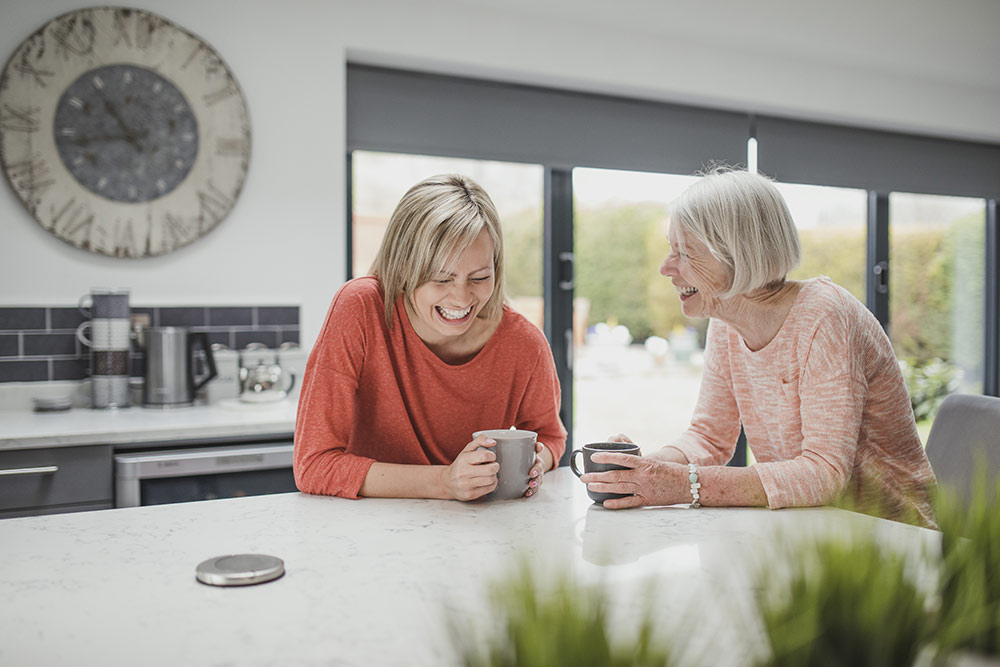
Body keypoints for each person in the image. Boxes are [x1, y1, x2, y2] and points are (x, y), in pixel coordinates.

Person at [580, 168, 936, 527]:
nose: (665, 267)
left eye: (685, 253)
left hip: (895, 535)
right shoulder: (724, 322)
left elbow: (824, 473)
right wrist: (639, 472)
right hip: (813, 528)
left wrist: (679, 486)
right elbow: (708, 438)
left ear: (737, 254)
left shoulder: (824, 316)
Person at [294, 174, 566, 501]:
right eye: (441, 279)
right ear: (403, 268)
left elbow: (551, 437)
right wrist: (444, 482)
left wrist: (537, 461)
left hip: (475, 532)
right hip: (366, 529)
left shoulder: (525, 344)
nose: (462, 298)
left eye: (480, 277)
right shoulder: (360, 309)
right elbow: (313, 465)